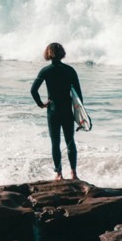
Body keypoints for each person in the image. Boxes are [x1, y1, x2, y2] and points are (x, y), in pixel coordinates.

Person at [30, 42, 83, 181]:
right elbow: (78, 96)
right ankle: (74, 174)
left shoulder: (45, 71)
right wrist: (81, 117)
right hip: (67, 111)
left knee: (55, 143)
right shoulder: (70, 70)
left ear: (48, 53)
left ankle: (59, 174)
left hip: (53, 111)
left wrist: (41, 104)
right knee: (70, 142)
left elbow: (33, 90)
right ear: (62, 53)